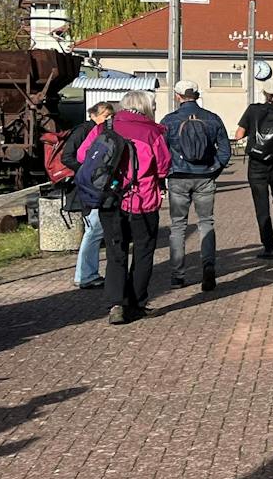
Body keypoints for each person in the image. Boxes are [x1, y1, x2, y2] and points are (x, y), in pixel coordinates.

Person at [77, 89, 172, 325]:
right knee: (143, 251)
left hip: (110, 200)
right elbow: (163, 167)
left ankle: (115, 305)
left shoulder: (105, 127)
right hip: (143, 201)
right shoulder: (153, 132)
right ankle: (137, 303)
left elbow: (82, 156)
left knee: (115, 252)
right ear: (146, 107)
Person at [160, 80, 231, 290]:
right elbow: (225, 151)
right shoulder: (212, 118)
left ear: (177, 96)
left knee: (178, 225)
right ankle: (208, 266)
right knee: (206, 222)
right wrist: (214, 169)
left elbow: (162, 153)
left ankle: (177, 275)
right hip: (205, 176)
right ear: (197, 95)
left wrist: (166, 174)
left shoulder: (169, 121)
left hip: (178, 177)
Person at [234, 90, 273, 257]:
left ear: (264, 93)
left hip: (257, 163)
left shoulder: (253, 110)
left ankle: (268, 246)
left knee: (261, 205)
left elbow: (238, 135)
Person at [64, 100, 114, 290]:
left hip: (91, 184)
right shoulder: (85, 131)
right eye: (105, 115)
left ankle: (86, 273)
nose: (109, 119)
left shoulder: (100, 131)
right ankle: (85, 274)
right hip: (89, 186)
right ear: (94, 115)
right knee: (93, 231)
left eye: (110, 115)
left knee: (93, 231)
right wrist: (88, 171)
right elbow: (68, 156)